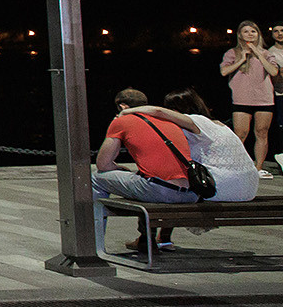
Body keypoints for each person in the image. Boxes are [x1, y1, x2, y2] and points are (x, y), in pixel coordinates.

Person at [92, 88, 200, 256]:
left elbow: (103, 164)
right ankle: (145, 239)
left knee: (96, 178)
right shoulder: (167, 120)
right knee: (145, 177)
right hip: (190, 193)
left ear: (122, 106)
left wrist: (119, 169)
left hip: (162, 190)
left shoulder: (121, 120)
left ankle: (93, 242)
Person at [141, 88, 260, 202]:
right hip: (249, 188)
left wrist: (128, 111)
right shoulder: (218, 124)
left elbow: (158, 111)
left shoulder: (196, 121)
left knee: (160, 186)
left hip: (219, 188)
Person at [219, 21, 278, 178]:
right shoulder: (232, 53)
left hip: (264, 99)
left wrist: (258, 54)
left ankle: (258, 167)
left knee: (261, 132)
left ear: (258, 34)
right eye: (246, 31)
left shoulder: (266, 54)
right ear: (240, 35)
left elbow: (273, 71)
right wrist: (242, 59)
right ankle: (238, 166)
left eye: (253, 31)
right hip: (241, 99)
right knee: (240, 134)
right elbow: (224, 72)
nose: (250, 34)